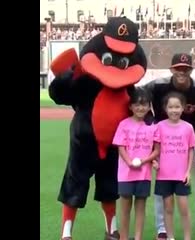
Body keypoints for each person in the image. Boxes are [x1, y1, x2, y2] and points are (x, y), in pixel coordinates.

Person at [48, 17, 147, 240]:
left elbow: (142, 111)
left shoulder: (129, 90)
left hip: (114, 146)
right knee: (75, 184)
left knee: (109, 187)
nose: (115, 65)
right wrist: (65, 79)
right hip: (84, 142)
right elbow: (60, 95)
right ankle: (66, 232)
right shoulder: (86, 81)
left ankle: (111, 229)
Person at [143, 53, 195, 240]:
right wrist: (151, 122)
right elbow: (139, 99)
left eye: (185, 68)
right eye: (178, 68)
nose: (182, 72)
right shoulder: (157, 86)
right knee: (163, 185)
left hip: (193, 144)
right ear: (171, 69)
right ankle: (162, 230)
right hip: (165, 146)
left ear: (191, 70)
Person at [112, 88, 160, 240]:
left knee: (141, 206)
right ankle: (124, 237)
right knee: (125, 206)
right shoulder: (124, 124)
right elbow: (121, 147)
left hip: (144, 174)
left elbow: (157, 150)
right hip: (126, 173)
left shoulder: (153, 126)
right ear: (130, 106)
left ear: (149, 106)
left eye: (144, 104)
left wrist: (144, 161)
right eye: (137, 105)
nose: (141, 108)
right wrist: (129, 162)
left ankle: (138, 237)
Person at [153, 91, 195, 240]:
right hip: (164, 175)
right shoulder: (159, 126)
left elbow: (191, 150)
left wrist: (188, 172)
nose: (174, 110)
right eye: (170, 107)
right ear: (165, 109)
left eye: (177, 107)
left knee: (184, 209)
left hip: (181, 176)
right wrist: (154, 161)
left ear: (183, 108)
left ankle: (187, 237)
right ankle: (170, 237)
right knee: (168, 208)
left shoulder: (188, 128)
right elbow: (155, 149)